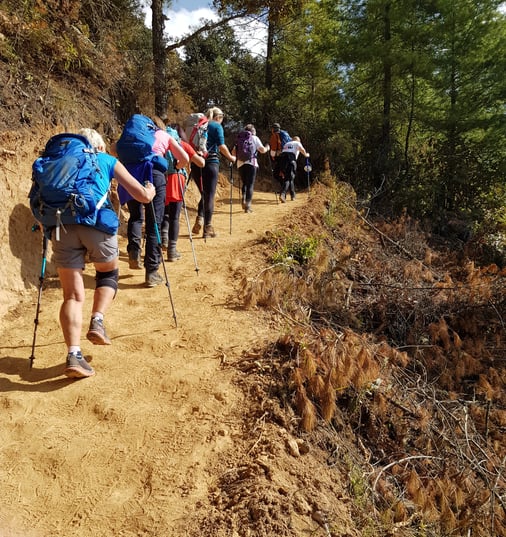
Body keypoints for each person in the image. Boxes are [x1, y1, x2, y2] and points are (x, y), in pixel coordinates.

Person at [51, 128, 156, 379]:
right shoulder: (106, 160)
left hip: (61, 227)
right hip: (97, 226)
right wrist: (150, 190)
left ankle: (74, 354)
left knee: (72, 296)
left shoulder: (60, 163)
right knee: (108, 273)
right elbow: (141, 195)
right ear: (99, 145)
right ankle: (97, 320)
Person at [115, 116, 189, 287]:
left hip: (130, 174)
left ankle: (134, 252)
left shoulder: (129, 137)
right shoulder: (163, 135)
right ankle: (152, 271)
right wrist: (177, 167)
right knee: (153, 222)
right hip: (154, 175)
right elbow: (184, 157)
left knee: (135, 215)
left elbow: (114, 150)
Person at [161, 125, 205, 261]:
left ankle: (163, 238)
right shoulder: (182, 144)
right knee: (174, 216)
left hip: (161, 179)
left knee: (164, 213)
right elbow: (201, 163)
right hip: (177, 180)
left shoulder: (160, 142)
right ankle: (172, 251)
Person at [197, 107, 236, 238]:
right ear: (218, 117)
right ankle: (207, 228)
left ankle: (199, 217)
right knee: (210, 196)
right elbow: (221, 146)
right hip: (211, 162)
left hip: (196, 162)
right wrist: (231, 158)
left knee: (204, 193)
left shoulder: (200, 125)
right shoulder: (216, 126)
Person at [232, 124, 269, 213]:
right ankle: (248, 206)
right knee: (250, 184)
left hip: (240, 164)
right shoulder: (255, 138)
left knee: (245, 183)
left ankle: (244, 199)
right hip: (252, 163)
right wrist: (267, 147)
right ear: (253, 131)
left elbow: (233, 152)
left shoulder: (239, 138)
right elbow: (262, 150)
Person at [278, 136, 310, 202]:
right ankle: (283, 194)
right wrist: (306, 155)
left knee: (290, 178)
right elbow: (302, 150)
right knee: (288, 178)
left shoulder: (287, 144)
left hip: (283, 161)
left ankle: (293, 195)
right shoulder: (297, 143)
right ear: (298, 140)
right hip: (291, 160)